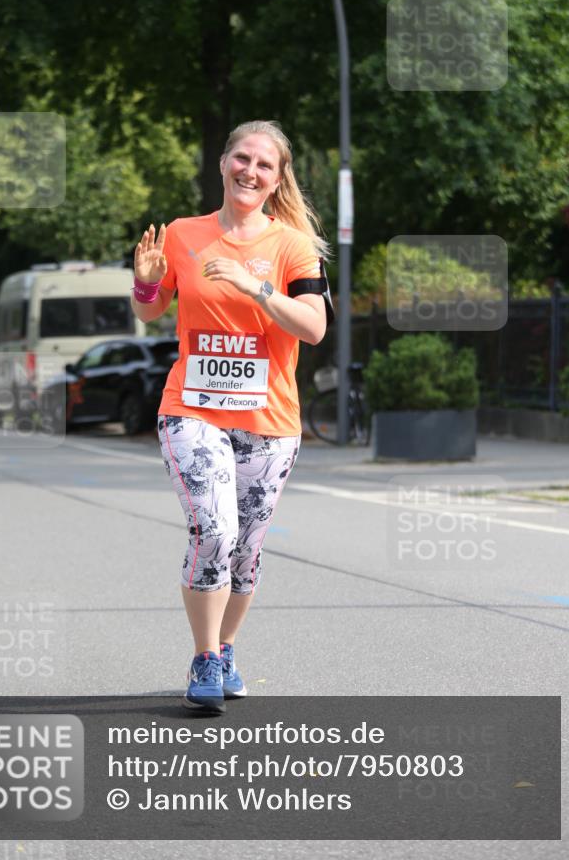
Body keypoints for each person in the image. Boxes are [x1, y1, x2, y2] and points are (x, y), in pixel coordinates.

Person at [131, 120, 329, 714]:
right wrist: (145, 286)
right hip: (191, 410)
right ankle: (203, 657)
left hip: (270, 420)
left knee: (246, 549)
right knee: (213, 530)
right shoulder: (184, 236)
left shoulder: (292, 245)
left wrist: (255, 287)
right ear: (222, 164)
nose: (250, 170)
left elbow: (315, 328)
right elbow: (150, 313)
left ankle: (225, 648)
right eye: (241, 158)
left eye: (264, 164)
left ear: (277, 179)